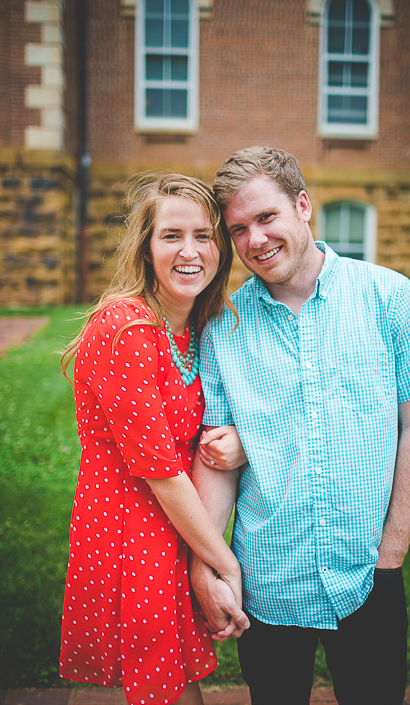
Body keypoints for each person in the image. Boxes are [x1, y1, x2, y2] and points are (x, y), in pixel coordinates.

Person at [188, 146, 410, 705]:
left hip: (369, 570)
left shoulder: (390, 298)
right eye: (238, 230)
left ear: (302, 206)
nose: (255, 240)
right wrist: (208, 568)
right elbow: (213, 460)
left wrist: (392, 554)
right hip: (268, 576)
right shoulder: (222, 330)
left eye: (266, 218)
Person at [59, 174, 251, 705]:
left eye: (204, 235)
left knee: (173, 677)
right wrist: (226, 564)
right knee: (160, 682)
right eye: (171, 235)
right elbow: (162, 471)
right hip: (131, 528)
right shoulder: (128, 329)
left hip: (176, 526)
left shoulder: (194, 328)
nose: (189, 251)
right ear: (146, 247)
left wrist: (242, 439)